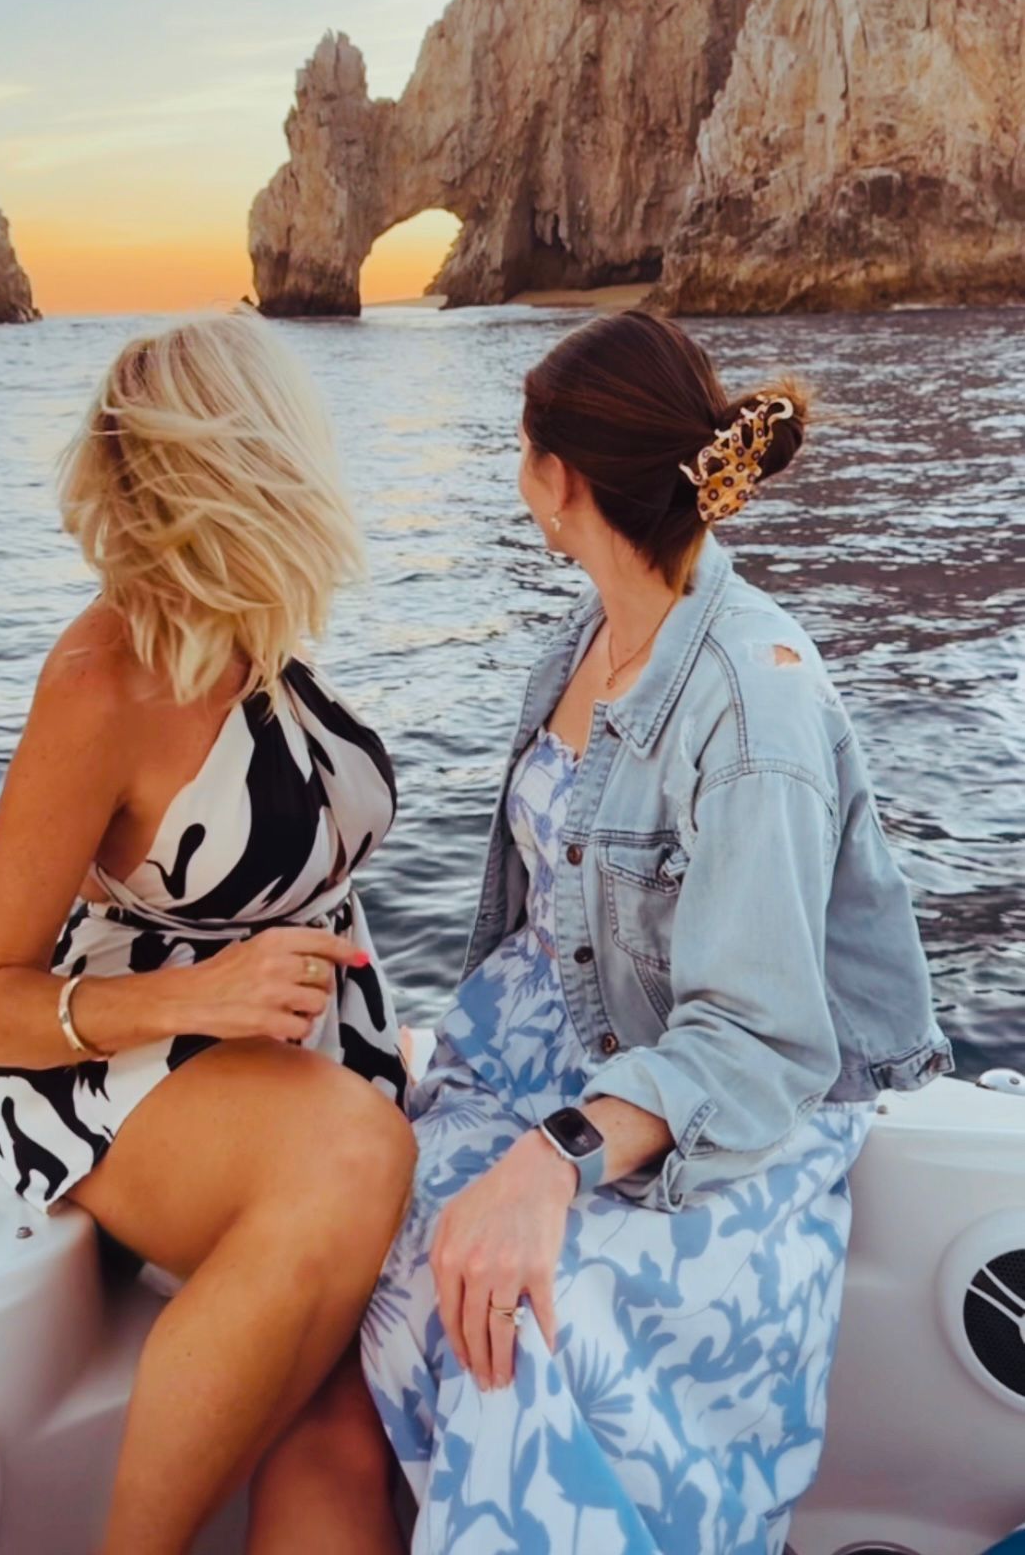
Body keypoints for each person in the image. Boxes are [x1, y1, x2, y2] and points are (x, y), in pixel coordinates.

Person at [364, 309, 951, 1555]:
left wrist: (551, 1158)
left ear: (562, 482)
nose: (518, 477)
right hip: (539, 1052)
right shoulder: (585, 637)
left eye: (522, 451)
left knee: (528, 1323)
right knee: (389, 1254)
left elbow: (759, 1040)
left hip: (726, 1104)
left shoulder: (752, 705)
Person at [0, 311, 415, 1555]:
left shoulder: (259, 628)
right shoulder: (101, 678)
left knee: (344, 1436)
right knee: (353, 1156)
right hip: (119, 1063)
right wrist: (197, 997)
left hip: (305, 1053)